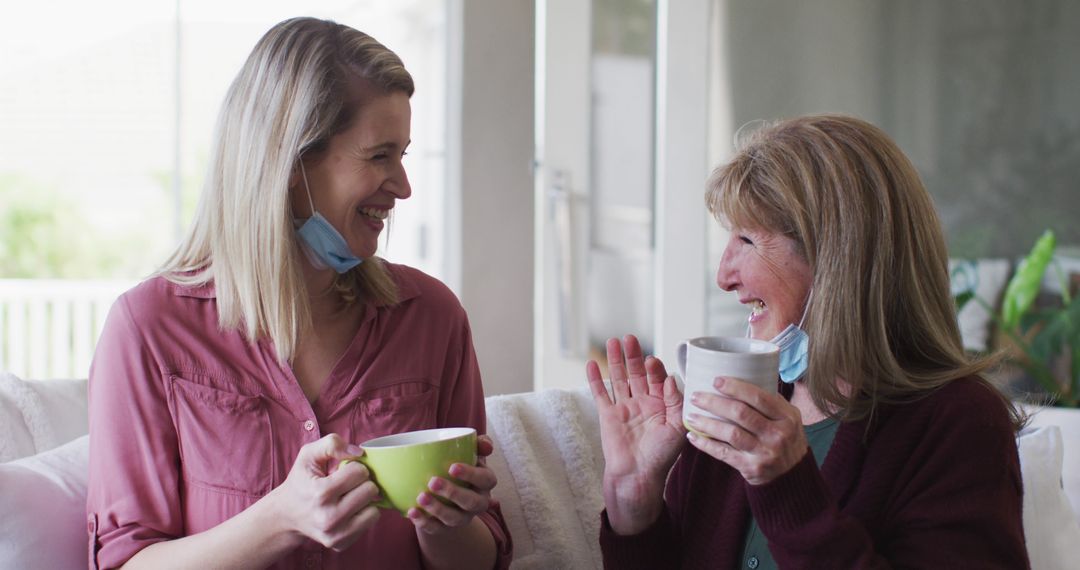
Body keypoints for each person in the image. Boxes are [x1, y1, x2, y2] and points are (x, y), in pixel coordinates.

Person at [86, 17, 511, 570]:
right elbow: (124, 562)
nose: (403, 187)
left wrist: (449, 524)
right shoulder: (149, 328)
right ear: (290, 162)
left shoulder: (431, 317)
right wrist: (280, 519)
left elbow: (481, 559)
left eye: (403, 155)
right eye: (380, 155)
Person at [587, 114, 1028, 568]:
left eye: (747, 239)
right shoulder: (739, 402)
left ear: (837, 260)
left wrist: (788, 489)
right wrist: (634, 505)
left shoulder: (957, 423)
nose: (724, 276)